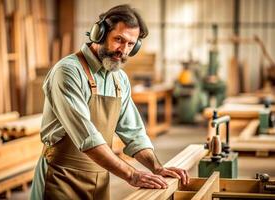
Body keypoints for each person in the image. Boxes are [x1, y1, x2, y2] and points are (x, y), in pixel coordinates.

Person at [30, 4, 189, 200]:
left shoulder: (119, 79)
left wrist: (157, 168)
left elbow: (134, 133)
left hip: (100, 177)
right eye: (119, 40)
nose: (123, 50)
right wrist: (132, 174)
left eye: (131, 45)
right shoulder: (68, 72)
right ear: (100, 33)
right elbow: (87, 137)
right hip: (61, 177)